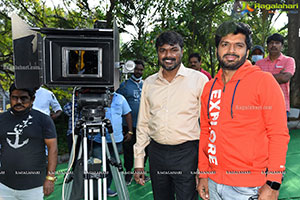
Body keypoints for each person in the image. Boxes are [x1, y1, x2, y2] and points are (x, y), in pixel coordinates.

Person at [197, 21, 290, 200]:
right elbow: (206, 132)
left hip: (249, 187)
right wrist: (203, 174)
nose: (231, 51)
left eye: (238, 45)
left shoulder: (264, 81)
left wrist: (273, 182)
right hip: (214, 184)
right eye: (225, 44)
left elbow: (278, 134)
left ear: (247, 51)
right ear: (217, 48)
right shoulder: (209, 88)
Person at [134, 31, 208, 200]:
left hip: (187, 154)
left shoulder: (199, 80)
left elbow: (208, 125)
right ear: (158, 53)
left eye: (174, 50)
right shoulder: (149, 83)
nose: (168, 55)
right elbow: (143, 123)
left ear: (182, 51)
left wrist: (204, 166)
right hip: (157, 153)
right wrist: (139, 163)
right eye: (163, 50)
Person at [0, 83, 58, 199]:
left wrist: (50, 178)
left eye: (23, 98)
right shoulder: (1, 119)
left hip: (34, 187)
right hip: (4, 185)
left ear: (32, 99)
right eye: (14, 97)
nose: (18, 102)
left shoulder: (43, 120)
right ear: (10, 98)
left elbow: (53, 149)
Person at [91, 89, 133, 197]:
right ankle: (94, 190)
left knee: (112, 166)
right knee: (95, 165)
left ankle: (106, 188)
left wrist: (130, 131)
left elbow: (127, 113)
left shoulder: (120, 98)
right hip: (98, 139)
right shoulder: (96, 97)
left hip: (116, 139)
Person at [116, 60, 149, 185]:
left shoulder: (146, 84)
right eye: (136, 69)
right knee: (129, 150)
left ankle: (141, 172)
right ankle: (128, 173)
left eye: (141, 70)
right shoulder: (124, 85)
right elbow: (117, 103)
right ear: (132, 70)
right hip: (129, 125)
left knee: (144, 150)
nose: (139, 72)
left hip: (144, 126)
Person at [256, 33, 296, 117]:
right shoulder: (259, 63)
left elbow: (284, 78)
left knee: (280, 130)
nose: (274, 45)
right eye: (271, 43)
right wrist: (278, 75)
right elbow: (255, 82)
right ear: (267, 46)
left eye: (277, 43)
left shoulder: (289, 61)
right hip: (262, 106)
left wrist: (263, 77)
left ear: (282, 46)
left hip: (281, 106)